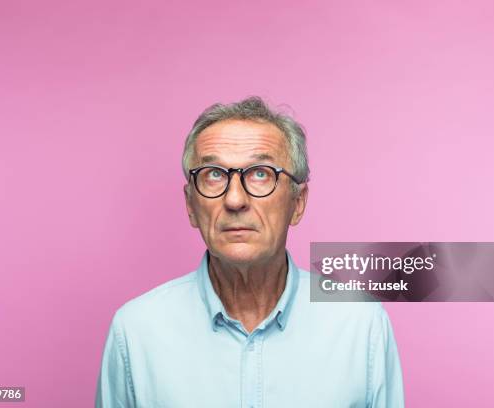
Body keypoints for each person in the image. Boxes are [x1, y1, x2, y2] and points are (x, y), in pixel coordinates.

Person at [95, 96, 404, 407]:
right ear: (190, 205)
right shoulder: (136, 331)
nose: (234, 200)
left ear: (298, 203)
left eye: (260, 174)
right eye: (213, 174)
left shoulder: (361, 325)